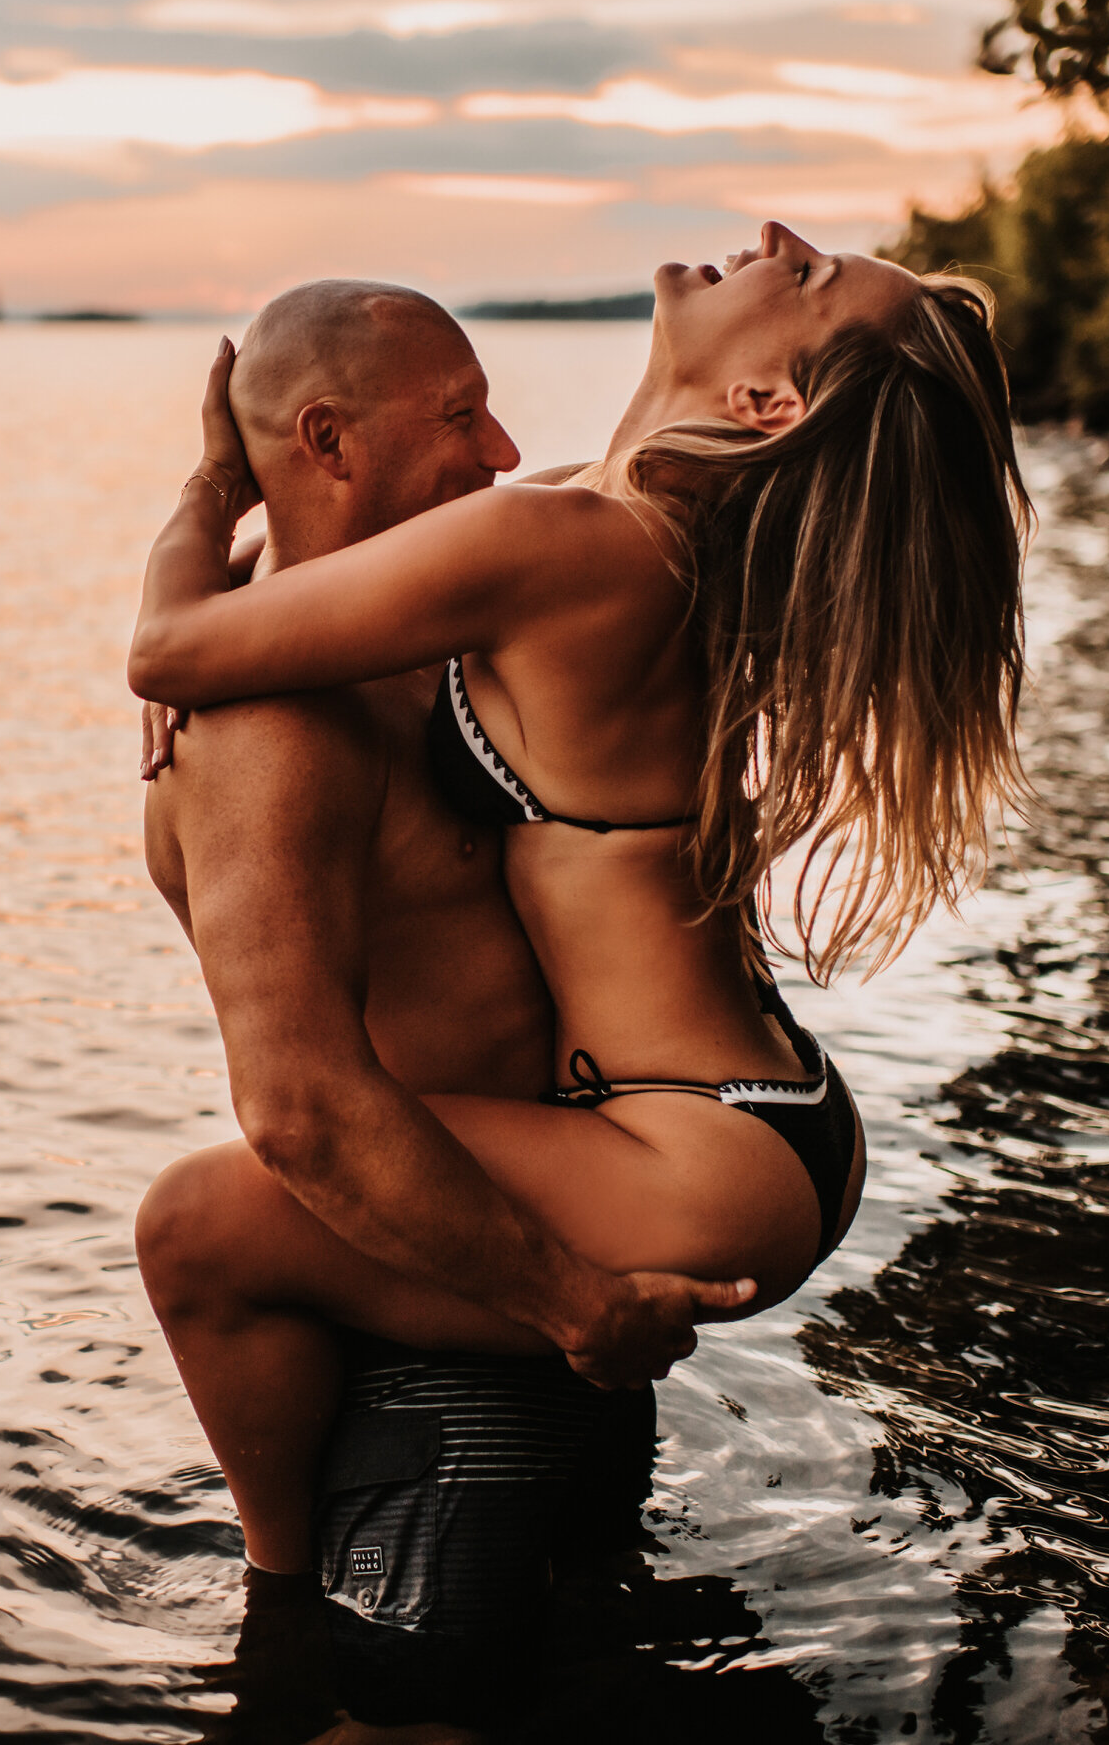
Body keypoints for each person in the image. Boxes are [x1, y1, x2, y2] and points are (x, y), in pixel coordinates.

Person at [129, 222, 1032, 1585]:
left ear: (767, 405)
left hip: (691, 1156)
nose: (777, 237)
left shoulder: (567, 540)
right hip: (762, 1119)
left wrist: (210, 490)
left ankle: (282, 1601)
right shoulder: (629, 520)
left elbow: (168, 648)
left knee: (195, 1228)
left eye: (807, 276)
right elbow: (328, 619)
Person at [135, 281, 753, 1595]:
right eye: (462, 416)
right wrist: (581, 1306)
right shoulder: (274, 726)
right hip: (486, 1306)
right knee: (396, 1702)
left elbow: (616, 494)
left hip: (568, 1271)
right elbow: (298, 1107)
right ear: (326, 441)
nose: (505, 452)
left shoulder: (429, 625)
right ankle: (286, 1614)